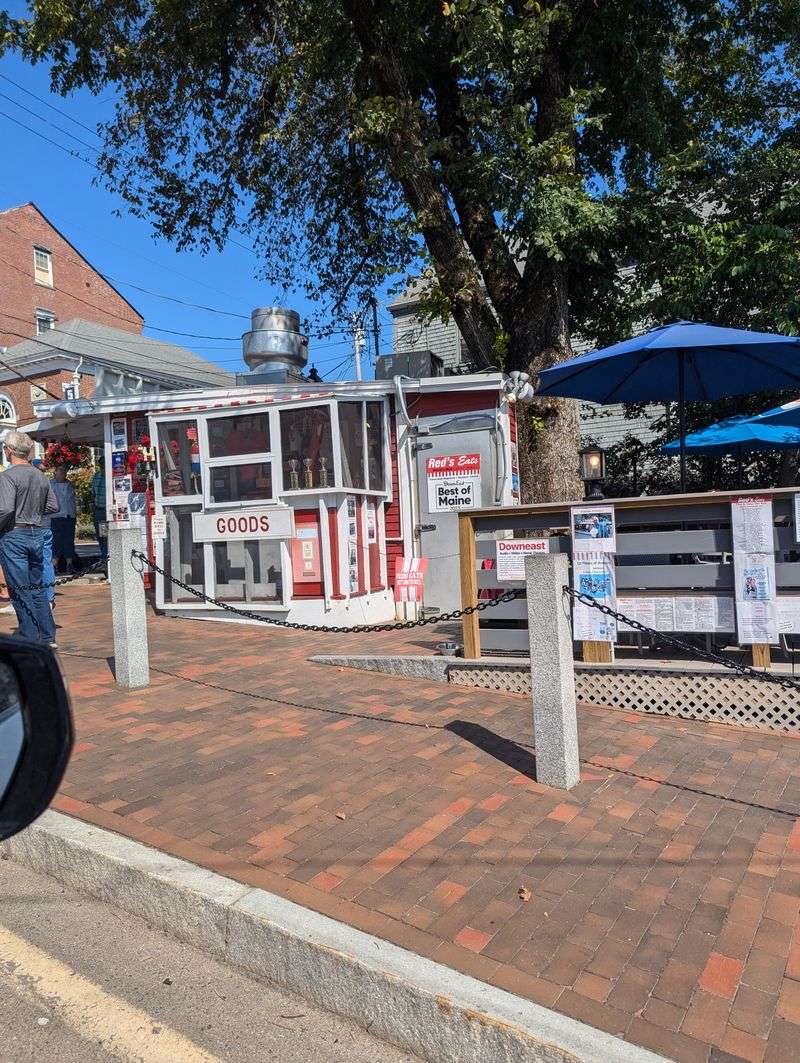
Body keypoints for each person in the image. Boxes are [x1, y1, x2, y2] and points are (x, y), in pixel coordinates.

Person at [0, 430, 59, 646]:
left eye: (4, 447)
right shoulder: (39, 475)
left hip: (14, 534)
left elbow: (5, 509)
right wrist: (33, 512)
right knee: (37, 587)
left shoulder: (7, 476)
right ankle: (47, 635)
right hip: (36, 532)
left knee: (19, 589)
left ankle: (30, 637)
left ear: (9, 450)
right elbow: (53, 506)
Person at [50, 466, 79, 574]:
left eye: (64, 472)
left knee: (69, 541)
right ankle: (54, 566)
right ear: (55, 473)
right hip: (56, 516)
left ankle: (69, 565)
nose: (63, 475)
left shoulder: (70, 484)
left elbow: (73, 500)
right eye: (60, 472)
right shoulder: (50, 484)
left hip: (69, 516)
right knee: (56, 541)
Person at [91, 458, 108, 561]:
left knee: (105, 535)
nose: (102, 467)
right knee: (101, 535)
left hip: (107, 510)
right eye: (101, 465)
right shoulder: (96, 476)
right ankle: (104, 555)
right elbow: (93, 493)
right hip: (99, 510)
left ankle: (106, 556)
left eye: (104, 465)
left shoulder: (109, 476)